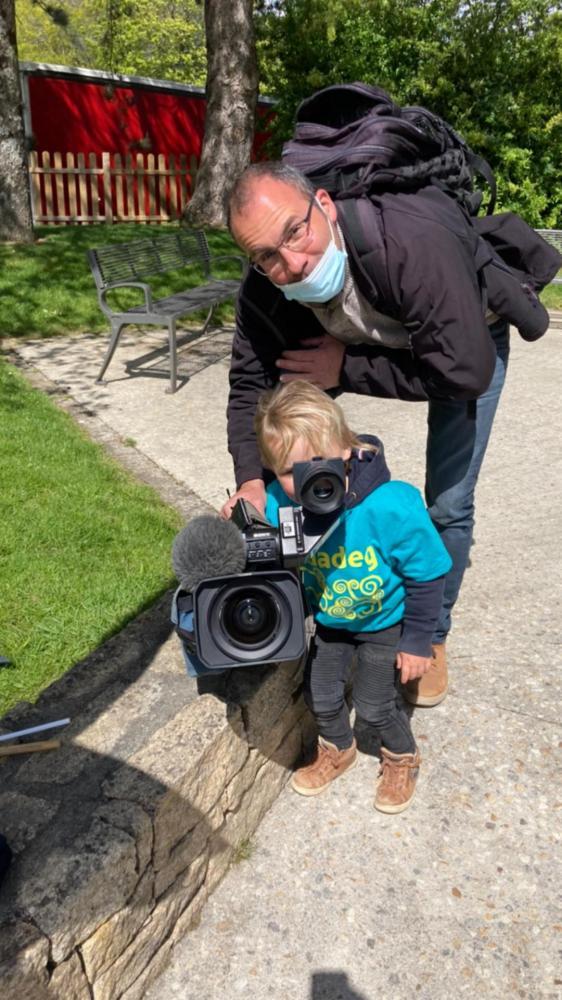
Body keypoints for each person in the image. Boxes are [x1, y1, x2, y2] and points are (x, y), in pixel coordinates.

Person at [221, 160, 512, 708]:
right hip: (373, 335)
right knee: (290, 476)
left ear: (324, 205)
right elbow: (250, 386)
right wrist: (251, 481)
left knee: (448, 502)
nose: (292, 263)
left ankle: (431, 633)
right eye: (266, 256)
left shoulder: (412, 240)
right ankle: (331, 594)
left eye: (295, 232)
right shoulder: (266, 284)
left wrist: (347, 368)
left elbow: (465, 371)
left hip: (467, 341)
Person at [254, 380, 452, 812]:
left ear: (346, 447)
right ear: (272, 470)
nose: (307, 479)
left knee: (374, 704)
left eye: (318, 463)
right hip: (332, 622)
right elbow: (269, 558)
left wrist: (418, 640)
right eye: (289, 471)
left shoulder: (390, 504)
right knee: (321, 696)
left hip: (384, 622)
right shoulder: (279, 504)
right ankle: (338, 749)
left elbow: (428, 571)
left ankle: (402, 755)